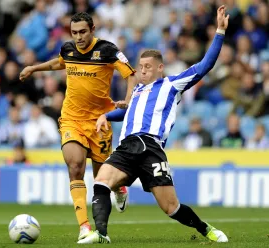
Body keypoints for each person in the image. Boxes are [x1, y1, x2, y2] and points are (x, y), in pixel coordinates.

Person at [78, 5, 229, 244]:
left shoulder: (172, 85)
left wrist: (219, 31)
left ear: (160, 68)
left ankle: (205, 228)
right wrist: (106, 116)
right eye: (140, 67)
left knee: (172, 208)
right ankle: (101, 234)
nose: (142, 71)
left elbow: (204, 66)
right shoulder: (136, 92)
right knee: (100, 181)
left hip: (151, 148)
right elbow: (126, 115)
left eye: (148, 67)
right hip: (128, 146)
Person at [19, 12, 137, 241]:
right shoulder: (68, 48)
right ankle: (84, 226)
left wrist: (129, 97)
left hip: (100, 121)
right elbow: (58, 63)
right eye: (74, 33)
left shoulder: (108, 50)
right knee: (75, 166)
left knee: (103, 179)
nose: (78, 37)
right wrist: (34, 68)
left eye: (83, 32)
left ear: (92, 29)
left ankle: (119, 189)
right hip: (72, 119)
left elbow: (130, 74)